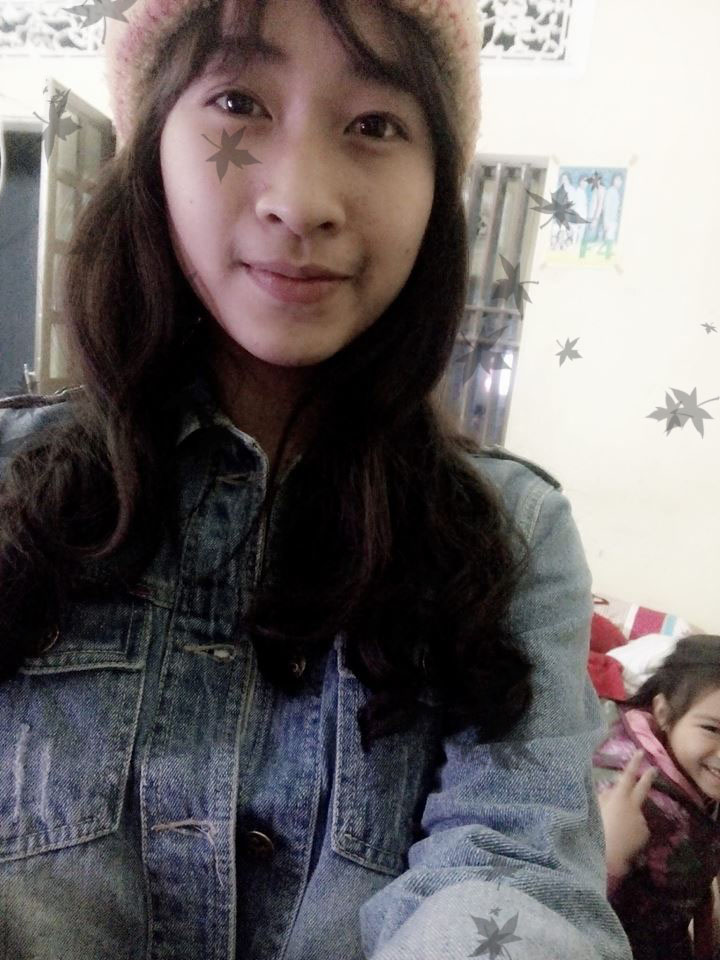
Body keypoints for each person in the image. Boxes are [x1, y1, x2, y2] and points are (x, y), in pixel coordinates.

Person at [0, 0, 632, 958]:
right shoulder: (13, 488)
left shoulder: (515, 536)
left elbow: (512, 870)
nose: (301, 200)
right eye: (238, 103)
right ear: (152, 149)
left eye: (375, 123)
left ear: (437, 185)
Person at [593, 634, 720, 960]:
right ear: (663, 713)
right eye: (712, 729)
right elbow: (557, 908)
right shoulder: (627, 799)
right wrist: (609, 858)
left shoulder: (697, 772)